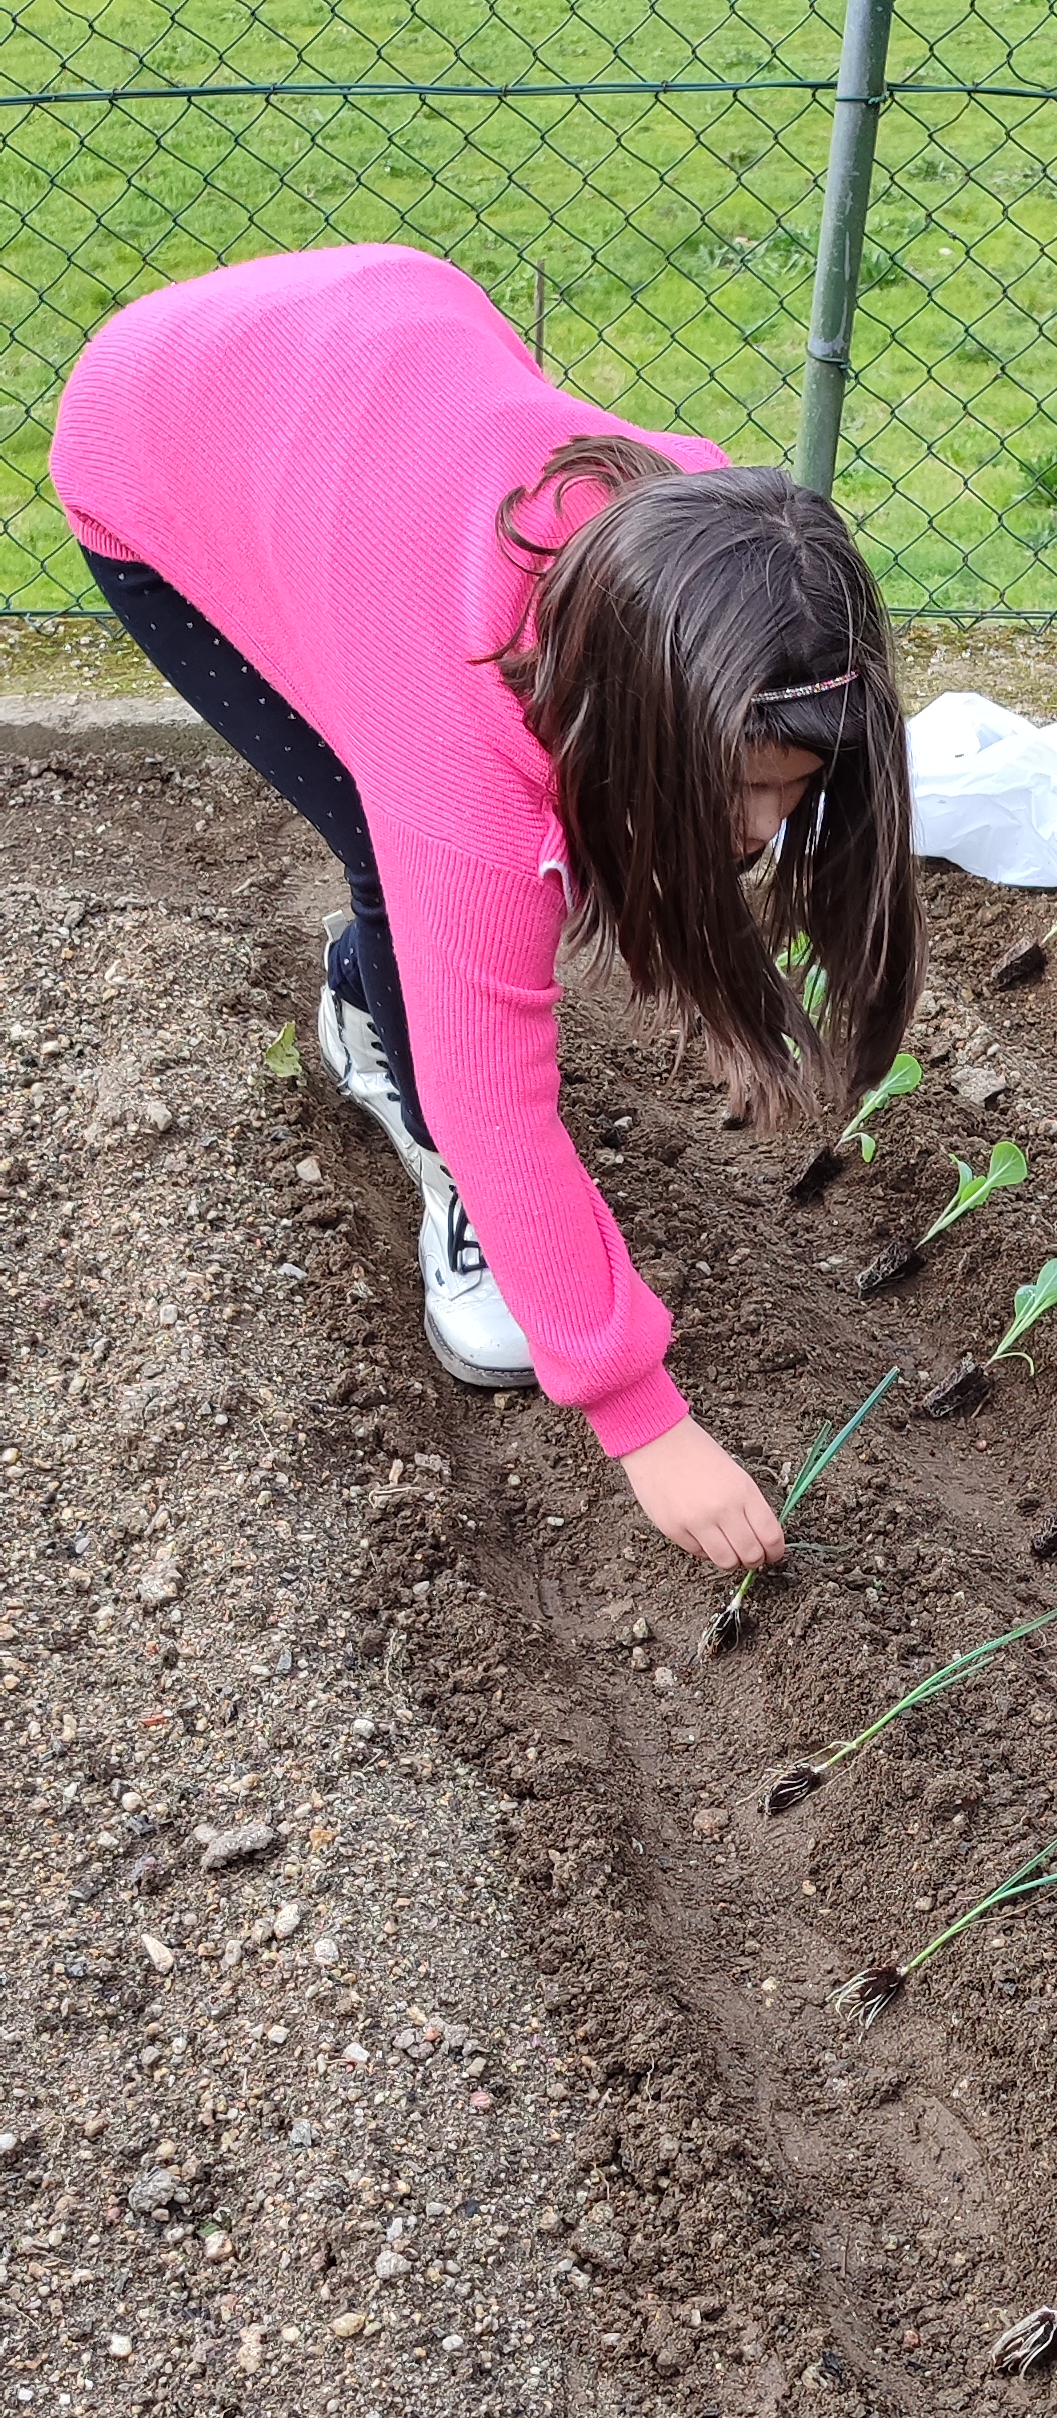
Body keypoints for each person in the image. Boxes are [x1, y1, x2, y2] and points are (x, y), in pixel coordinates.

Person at [49, 242, 919, 1570]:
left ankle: (375, 1007)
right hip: (161, 436)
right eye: (742, 790)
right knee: (389, 849)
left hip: (373, 356)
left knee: (421, 825)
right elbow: (499, 1097)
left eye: (786, 791)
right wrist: (645, 1422)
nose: (761, 830)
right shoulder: (467, 770)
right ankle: (407, 1102)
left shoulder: (716, 564)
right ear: (642, 721)